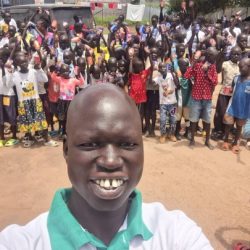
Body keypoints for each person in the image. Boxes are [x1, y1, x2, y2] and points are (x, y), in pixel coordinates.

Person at [0, 84, 213, 249]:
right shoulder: (21, 243)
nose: (110, 161)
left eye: (127, 144)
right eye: (90, 144)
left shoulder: (175, 234)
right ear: (66, 149)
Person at [222, 58, 250, 154]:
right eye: (239, 67)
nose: (239, 69)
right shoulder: (236, 78)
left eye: (241, 67)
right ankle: (226, 140)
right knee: (228, 124)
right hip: (232, 107)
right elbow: (233, 89)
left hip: (244, 109)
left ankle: (235, 142)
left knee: (239, 126)